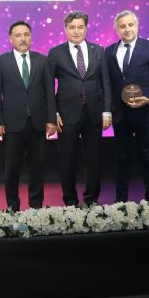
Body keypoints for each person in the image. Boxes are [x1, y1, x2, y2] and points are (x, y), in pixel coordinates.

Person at [0, 21, 57, 212]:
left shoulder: (43, 61)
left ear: (31, 37)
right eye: (18, 35)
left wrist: (51, 120)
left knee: (38, 167)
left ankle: (36, 207)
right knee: (12, 169)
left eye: (26, 34)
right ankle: (13, 207)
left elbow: (49, 93)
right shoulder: (1, 62)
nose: (23, 38)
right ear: (11, 39)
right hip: (11, 124)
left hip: (37, 122)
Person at [47, 11, 112, 207]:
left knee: (94, 159)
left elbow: (106, 82)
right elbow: (48, 86)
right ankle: (70, 201)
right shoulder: (56, 53)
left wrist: (107, 110)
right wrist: (53, 113)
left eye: (80, 27)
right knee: (67, 160)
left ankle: (92, 200)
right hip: (66, 114)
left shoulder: (98, 50)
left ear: (86, 28)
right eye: (72, 27)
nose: (76, 31)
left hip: (94, 113)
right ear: (65, 29)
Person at [105, 10, 149, 203]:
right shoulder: (109, 51)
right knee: (121, 158)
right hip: (120, 114)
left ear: (137, 26)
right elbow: (107, 83)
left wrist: (148, 98)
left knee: (147, 157)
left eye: (130, 25)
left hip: (144, 112)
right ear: (117, 30)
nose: (127, 29)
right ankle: (120, 202)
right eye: (122, 26)